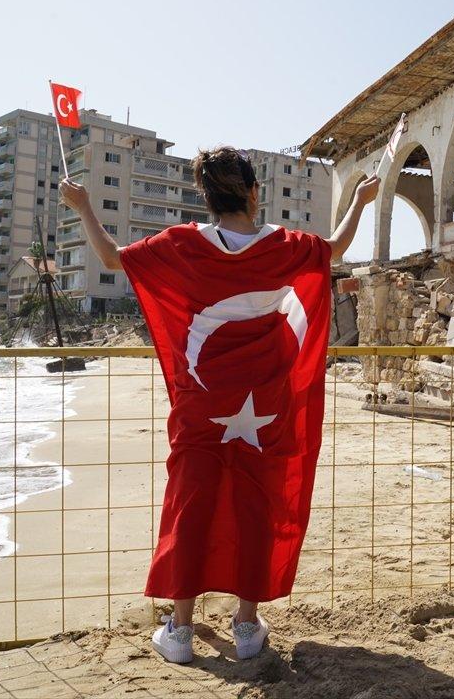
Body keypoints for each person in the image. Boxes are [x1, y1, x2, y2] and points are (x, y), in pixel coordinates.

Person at [59, 147, 378, 663]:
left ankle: (181, 632)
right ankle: (247, 625)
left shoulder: (183, 245)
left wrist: (84, 208)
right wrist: (360, 201)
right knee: (257, 503)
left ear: (206, 199)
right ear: (255, 194)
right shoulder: (284, 245)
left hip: (202, 406)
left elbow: (112, 258)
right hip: (266, 408)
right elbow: (335, 248)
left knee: (192, 505)